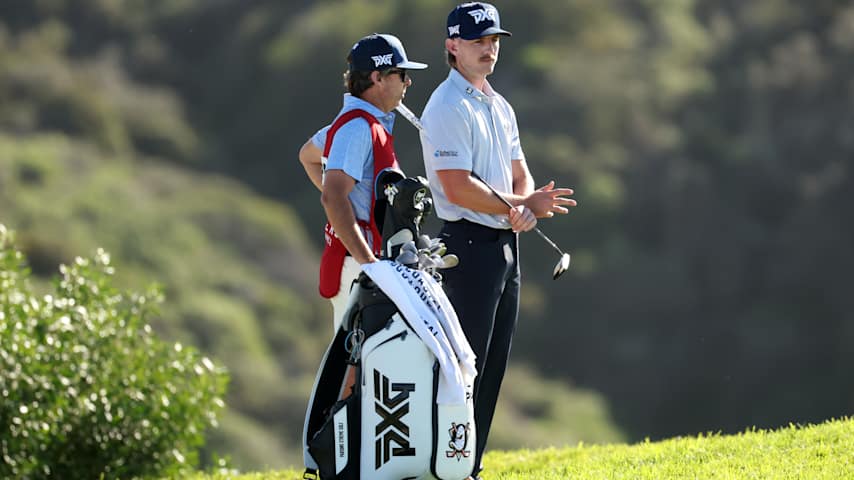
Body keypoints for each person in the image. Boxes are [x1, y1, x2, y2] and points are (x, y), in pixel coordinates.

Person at [419, 3, 577, 478]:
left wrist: (525, 205)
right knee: (462, 370)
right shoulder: (447, 106)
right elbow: (456, 186)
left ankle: (470, 466)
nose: (488, 49)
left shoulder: (498, 104)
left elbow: (518, 168)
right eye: (477, 41)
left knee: (491, 368)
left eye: (493, 41)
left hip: (503, 247)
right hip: (464, 246)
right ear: (452, 46)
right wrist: (521, 204)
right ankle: (441, 465)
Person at [298, 33, 427, 331]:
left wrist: (349, 202)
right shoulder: (356, 128)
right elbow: (332, 197)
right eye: (402, 74)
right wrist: (369, 262)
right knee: (356, 369)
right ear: (377, 77)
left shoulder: (355, 123)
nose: (408, 82)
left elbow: (308, 155)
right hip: (359, 265)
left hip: (363, 263)